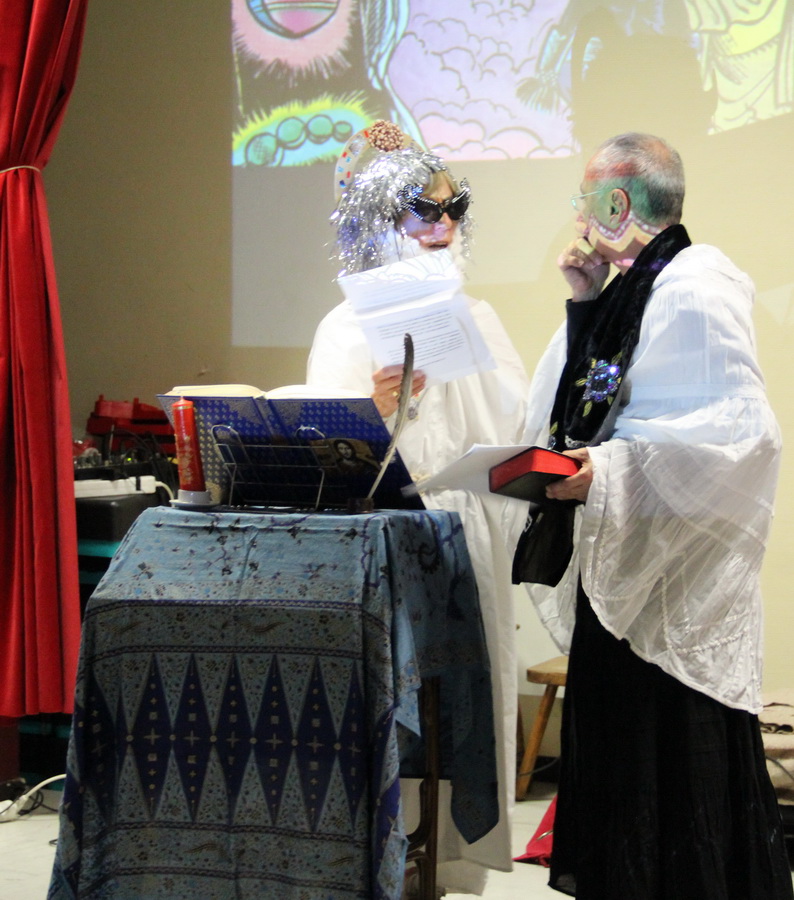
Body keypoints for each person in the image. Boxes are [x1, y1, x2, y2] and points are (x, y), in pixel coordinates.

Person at [516, 132, 793, 899]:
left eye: (585, 197)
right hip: (624, 569)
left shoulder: (695, 286)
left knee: (674, 786)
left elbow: (738, 438)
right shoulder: (628, 287)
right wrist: (583, 302)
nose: (577, 213)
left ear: (617, 202)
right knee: (620, 780)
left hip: (675, 592)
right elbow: (582, 409)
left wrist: (604, 472)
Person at [307, 120, 530, 895]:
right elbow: (325, 458)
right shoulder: (344, 329)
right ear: (379, 221)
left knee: (456, 721)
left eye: (454, 209)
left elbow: (515, 430)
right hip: (382, 552)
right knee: (384, 725)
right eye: (421, 211)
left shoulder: (481, 318)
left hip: (464, 542)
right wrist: (372, 411)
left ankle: (442, 868)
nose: (443, 227)